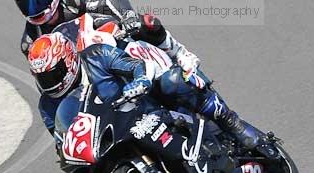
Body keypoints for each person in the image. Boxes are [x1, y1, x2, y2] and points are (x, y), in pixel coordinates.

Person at [27, 28, 272, 153]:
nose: (50, 81)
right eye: (43, 76)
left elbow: (136, 65)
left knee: (173, 81)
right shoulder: (47, 105)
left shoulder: (96, 54)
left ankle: (231, 122)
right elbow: (62, 140)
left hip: (145, 107)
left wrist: (141, 80)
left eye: (53, 73)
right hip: (113, 139)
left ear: (69, 60)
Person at [12, 0, 199, 70]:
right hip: (81, 71)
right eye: (26, 4)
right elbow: (44, 78)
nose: (35, 9)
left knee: (147, 22)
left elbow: (109, 2)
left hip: (110, 44)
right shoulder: (30, 41)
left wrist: (128, 17)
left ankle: (178, 52)